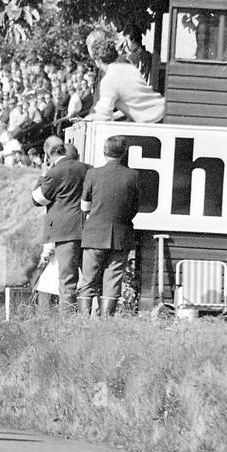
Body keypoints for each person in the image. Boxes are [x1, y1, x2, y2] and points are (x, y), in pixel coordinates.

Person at [78, 134, 141, 316]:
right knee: (112, 282)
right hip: (121, 235)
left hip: (94, 235)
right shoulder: (133, 175)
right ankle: (106, 322)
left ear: (104, 152)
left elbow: (84, 206)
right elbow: (135, 208)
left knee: (88, 280)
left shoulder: (93, 173)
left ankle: (83, 321)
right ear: (124, 153)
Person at [31, 135, 88, 310]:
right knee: (85, 278)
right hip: (85, 228)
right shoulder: (87, 168)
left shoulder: (55, 171)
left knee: (66, 278)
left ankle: (67, 318)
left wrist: (43, 175)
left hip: (64, 231)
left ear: (48, 153)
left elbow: (38, 199)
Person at [85, 29, 166, 124]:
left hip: (150, 121)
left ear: (98, 59)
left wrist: (88, 119)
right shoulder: (120, 67)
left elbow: (104, 115)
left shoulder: (113, 75)